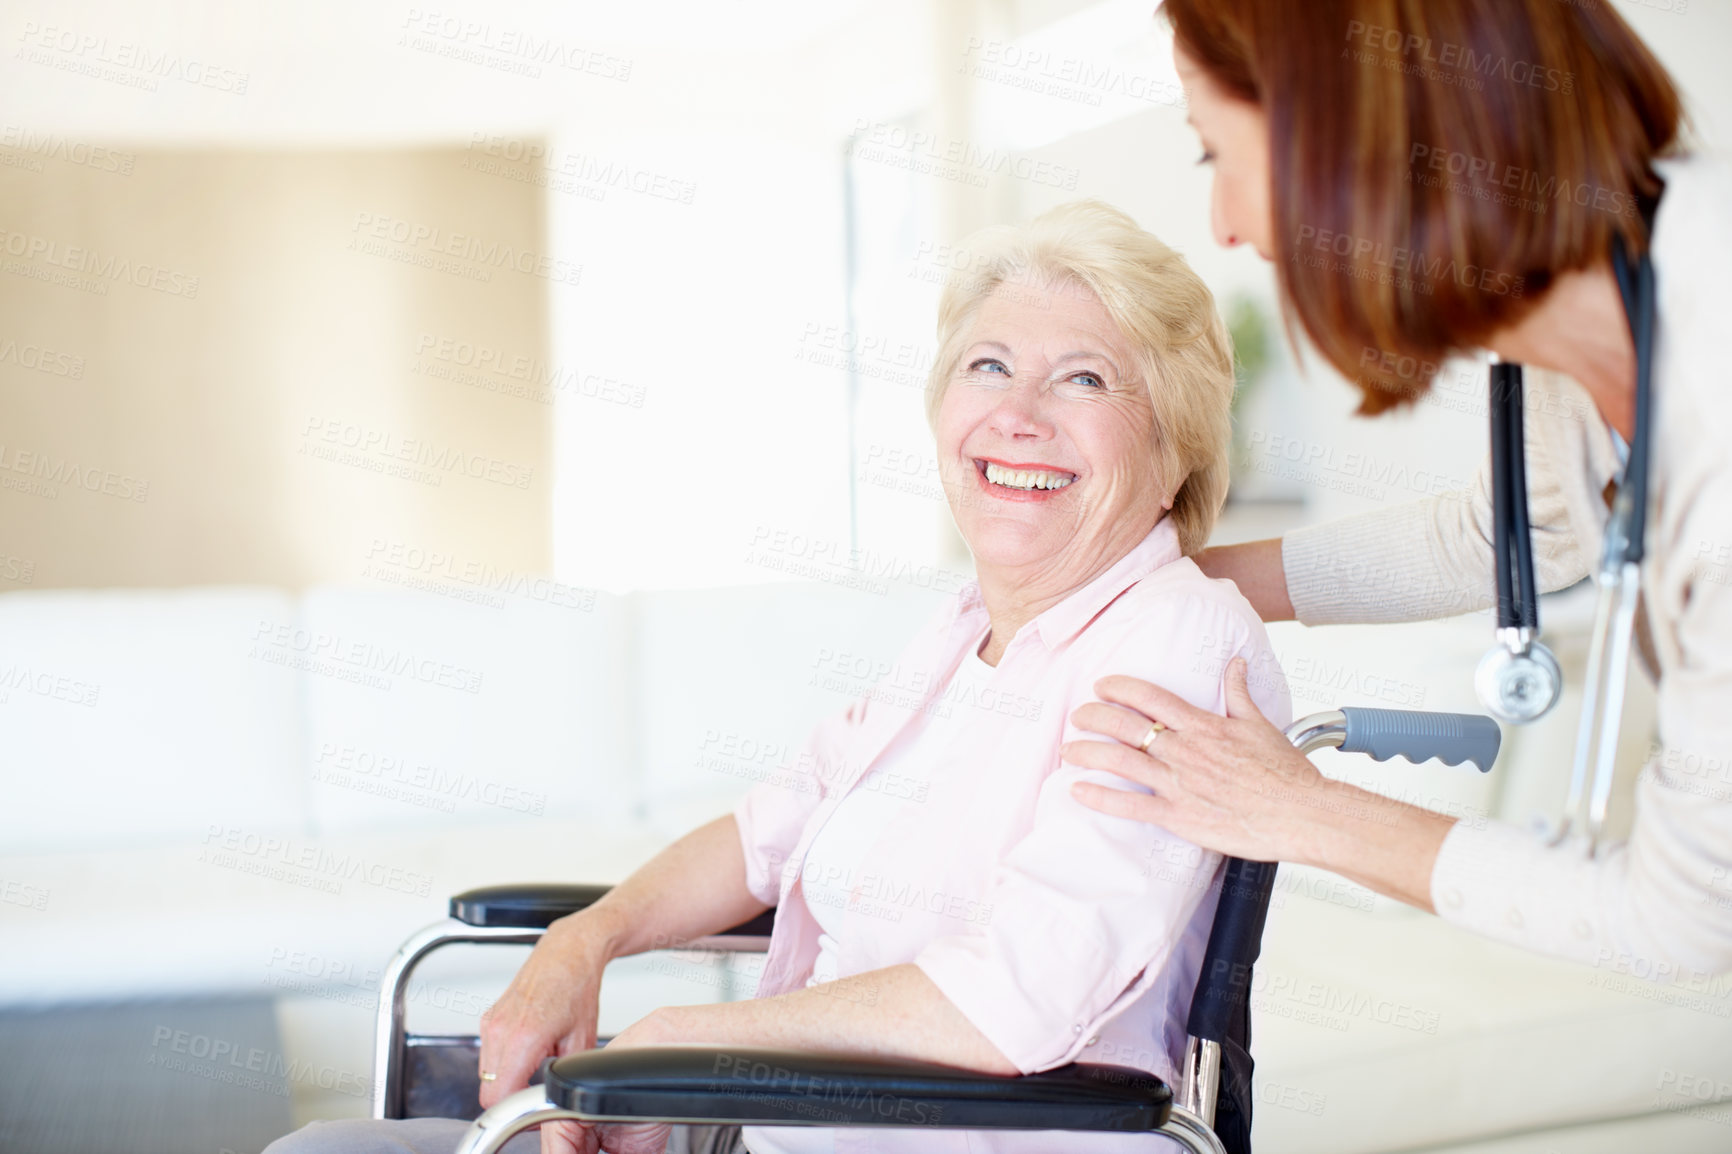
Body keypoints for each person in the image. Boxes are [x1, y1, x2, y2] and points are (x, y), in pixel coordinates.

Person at [262, 201, 1290, 1154]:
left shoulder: (1179, 644)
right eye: (987, 365)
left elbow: (1017, 994)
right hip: (777, 1120)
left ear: (1172, 447)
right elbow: (770, 830)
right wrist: (588, 937)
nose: (1017, 413)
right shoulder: (963, 630)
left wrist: (691, 1044)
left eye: (1084, 378)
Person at [1065, 0, 1732, 980]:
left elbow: (1685, 916)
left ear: (1351, 133)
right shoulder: (1590, 306)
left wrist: (1297, 806)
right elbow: (1523, 526)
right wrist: (1175, 577)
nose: (1226, 225)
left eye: (1215, 154)